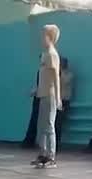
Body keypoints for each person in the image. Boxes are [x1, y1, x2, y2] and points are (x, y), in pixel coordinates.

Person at [31, 24, 60, 169]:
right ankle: (42, 154)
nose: (41, 38)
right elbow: (44, 76)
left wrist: (58, 97)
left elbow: (55, 77)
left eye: (44, 35)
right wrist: (37, 89)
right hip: (42, 95)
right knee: (41, 126)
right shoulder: (44, 55)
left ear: (50, 37)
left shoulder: (52, 54)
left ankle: (51, 157)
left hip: (50, 95)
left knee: (49, 126)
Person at [55, 56, 72, 153]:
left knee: (58, 123)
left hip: (64, 100)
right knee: (52, 123)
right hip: (55, 100)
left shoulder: (69, 74)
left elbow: (64, 82)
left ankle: (56, 143)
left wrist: (60, 72)